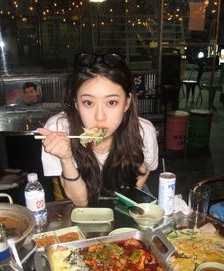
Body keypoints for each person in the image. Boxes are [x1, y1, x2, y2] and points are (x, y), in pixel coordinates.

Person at [37, 53, 158, 206]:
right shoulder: (58, 129)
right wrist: (65, 158)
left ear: (127, 103)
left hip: (126, 197)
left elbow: (143, 173)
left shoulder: (143, 131)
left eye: (112, 102)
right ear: (76, 104)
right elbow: (80, 202)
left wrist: (124, 205)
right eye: (88, 103)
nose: (100, 117)